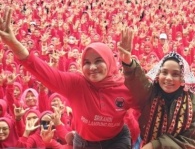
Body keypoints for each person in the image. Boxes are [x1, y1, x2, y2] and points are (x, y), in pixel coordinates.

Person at [0, 8, 134, 148]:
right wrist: (13, 43)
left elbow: (149, 102)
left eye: (98, 61)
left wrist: (129, 61)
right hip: (84, 143)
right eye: (86, 63)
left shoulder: (126, 86)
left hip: (117, 141)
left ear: (110, 62)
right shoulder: (77, 84)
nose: (92, 67)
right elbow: (41, 70)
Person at [118, 27, 195, 148]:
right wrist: (128, 62)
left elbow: (189, 143)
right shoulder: (151, 92)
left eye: (175, 74)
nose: (168, 78)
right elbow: (138, 85)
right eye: (164, 72)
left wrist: (155, 145)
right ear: (158, 74)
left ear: (183, 78)